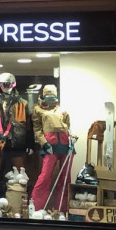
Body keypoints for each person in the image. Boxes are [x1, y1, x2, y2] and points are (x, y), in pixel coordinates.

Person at [0, 72, 32, 201]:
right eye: (4, 84)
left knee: (19, 175)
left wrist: (29, 144)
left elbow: (28, 126)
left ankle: (17, 203)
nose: (6, 87)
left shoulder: (23, 103)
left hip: (17, 144)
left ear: (14, 84)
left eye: (8, 84)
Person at [29, 85, 73, 217]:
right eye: (48, 95)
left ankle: (62, 209)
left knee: (65, 178)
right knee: (45, 177)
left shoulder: (62, 110)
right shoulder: (38, 110)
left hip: (66, 144)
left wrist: (71, 139)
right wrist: (44, 143)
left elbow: (68, 127)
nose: (51, 98)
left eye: (53, 95)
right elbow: (37, 129)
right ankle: (37, 208)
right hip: (50, 145)